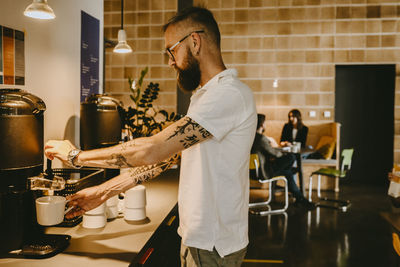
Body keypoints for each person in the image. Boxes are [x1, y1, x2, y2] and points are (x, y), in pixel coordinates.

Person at [44, 6, 257, 267]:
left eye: (171, 50)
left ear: (195, 41)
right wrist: (104, 191)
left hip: (213, 244)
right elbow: (168, 157)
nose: (170, 61)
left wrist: (76, 156)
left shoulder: (228, 95)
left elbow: (152, 149)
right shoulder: (207, 96)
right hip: (201, 239)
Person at [251, 114, 315, 209]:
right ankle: (301, 198)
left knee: (288, 172)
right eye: (265, 123)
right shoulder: (261, 138)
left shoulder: (250, 138)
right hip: (264, 172)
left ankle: (300, 199)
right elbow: (276, 154)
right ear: (262, 125)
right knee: (291, 157)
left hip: (252, 172)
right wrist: (276, 148)